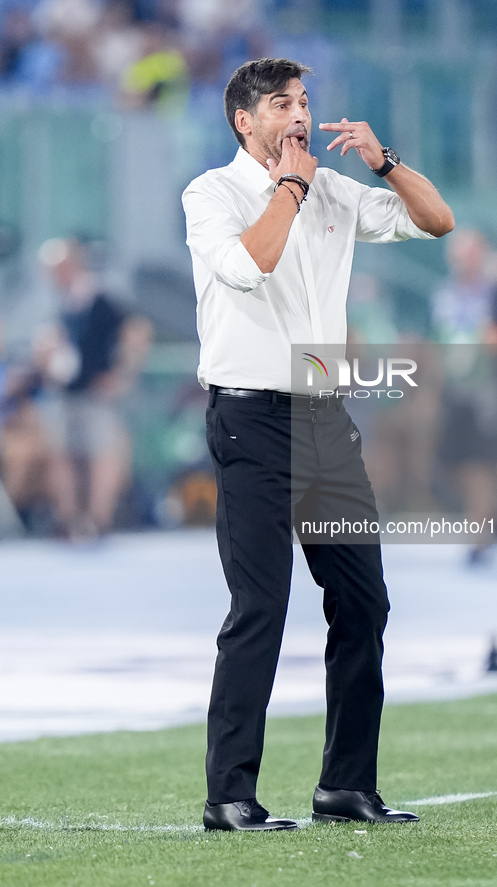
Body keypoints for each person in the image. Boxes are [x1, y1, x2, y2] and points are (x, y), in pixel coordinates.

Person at [182, 57, 454, 832]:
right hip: (251, 418)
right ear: (245, 120)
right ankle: (229, 795)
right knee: (260, 606)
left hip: (324, 417)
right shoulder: (211, 193)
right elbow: (247, 263)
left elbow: (438, 222)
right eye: (281, 104)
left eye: (304, 101)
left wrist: (384, 162)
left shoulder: (336, 188)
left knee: (364, 602)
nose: (300, 114)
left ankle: (345, 786)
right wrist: (291, 188)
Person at [36, 238, 153, 540]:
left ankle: (99, 519)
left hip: (96, 393)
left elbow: (138, 331)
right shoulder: (65, 302)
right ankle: (68, 518)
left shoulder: (101, 298)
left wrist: (122, 374)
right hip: (67, 393)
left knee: (102, 455)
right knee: (62, 455)